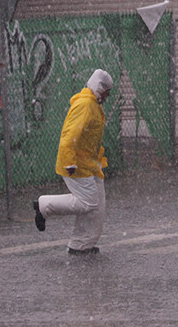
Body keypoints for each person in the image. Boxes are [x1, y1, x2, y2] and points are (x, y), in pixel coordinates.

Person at [33, 69, 113, 255]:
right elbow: (70, 136)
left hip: (89, 164)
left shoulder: (93, 103)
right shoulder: (85, 105)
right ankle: (43, 205)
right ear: (98, 88)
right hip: (76, 165)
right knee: (89, 203)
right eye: (106, 92)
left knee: (97, 207)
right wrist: (70, 162)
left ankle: (81, 245)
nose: (107, 97)